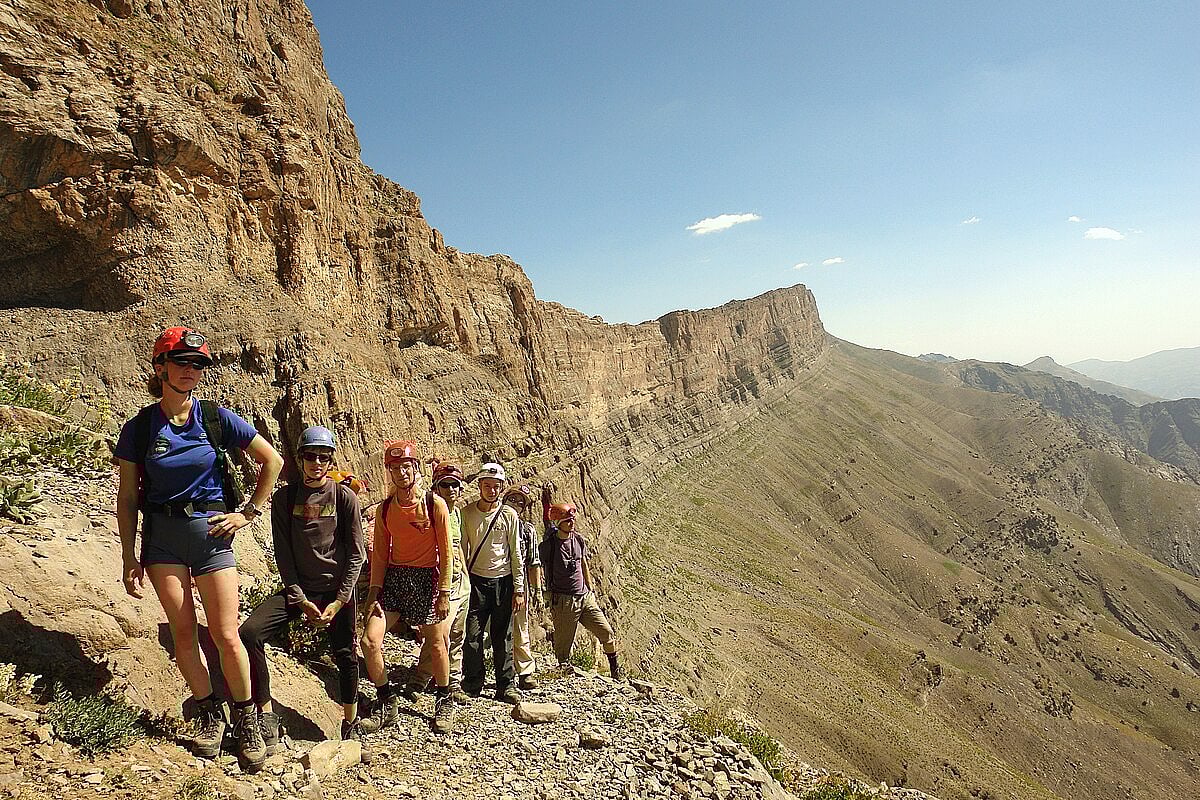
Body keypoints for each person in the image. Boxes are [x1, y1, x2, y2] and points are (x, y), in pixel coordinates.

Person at [115, 327, 283, 770]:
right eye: (182, 361)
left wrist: (246, 513)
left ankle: (245, 719)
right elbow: (128, 495)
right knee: (184, 633)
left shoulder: (215, 417)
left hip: (212, 535)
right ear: (161, 367)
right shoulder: (139, 428)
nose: (191, 370)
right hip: (163, 540)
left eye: (198, 364)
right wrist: (129, 554)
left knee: (227, 635)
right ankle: (209, 712)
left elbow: (273, 461)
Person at [238, 426, 376, 747]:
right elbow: (284, 554)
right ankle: (265, 711)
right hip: (301, 590)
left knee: (345, 654)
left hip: (336, 591)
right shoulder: (284, 499)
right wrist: (299, 599)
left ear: (330, 461)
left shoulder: (344, 498)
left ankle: (350, 721)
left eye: (323, 457)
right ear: (299, 459)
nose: (316, 463)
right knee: (250, 632)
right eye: (310, 456)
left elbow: (357, 554)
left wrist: (340, 601)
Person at [359, 442, 455, 734]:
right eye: (395, 468)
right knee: (369, 642)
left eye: (406, 467)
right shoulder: (386, 509)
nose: (401, 473)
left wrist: (444, 592)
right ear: (388, 472)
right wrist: (373, 592)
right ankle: (387, 699)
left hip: (427, 578)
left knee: (436, 644)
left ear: (415, 469)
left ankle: (444, 697)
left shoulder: (433, 504)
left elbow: (447, 551)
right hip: (395, 579)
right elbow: (380, 554)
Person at [406, 462, 472, 705]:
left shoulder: (456, 512)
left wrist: (466, 578)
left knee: (455, 635)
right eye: (445, 484)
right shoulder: (430, 510)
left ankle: (452, 682)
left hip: (460, 583)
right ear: (436, 486)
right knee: (439, 635)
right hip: (438, 583)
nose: (451, 489)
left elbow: (457, 548)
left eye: (455, 484)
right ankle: (422, 678)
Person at [461, 463, 526, 704]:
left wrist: (519, 589)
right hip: (476, 581)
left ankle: (506, 685)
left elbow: (516, 552)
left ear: (501, 488)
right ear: (479, 486)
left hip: (503, 582)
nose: (491, 490)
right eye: (486, 485)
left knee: (503, 636)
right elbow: (463, 549)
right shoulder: (467, 514)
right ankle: (472, 682)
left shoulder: (509, 515)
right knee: (473, 635)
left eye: (495, 486)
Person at [539, 501, 622, 680]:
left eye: (572, 519)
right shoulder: (548, 546)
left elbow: (583, 562)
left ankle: (616, 672)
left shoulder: (578, 539)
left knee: (607, 633)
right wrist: (541, 592)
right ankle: (562, 679)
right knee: (563, 648)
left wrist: (590, 588)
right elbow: (537, 566)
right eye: (568, 520)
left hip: (585, 597)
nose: (572, 522)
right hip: (564, 601)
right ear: (559, 523)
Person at [503, 485, 543, 690]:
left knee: (520, 628)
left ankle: (525, 672)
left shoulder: (527, 530)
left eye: (521, 502)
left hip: (519, 587)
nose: (516, 504)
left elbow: (533, 561)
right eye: (513, 499)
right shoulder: (494, 522)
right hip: (493, 582)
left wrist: (537, 591)